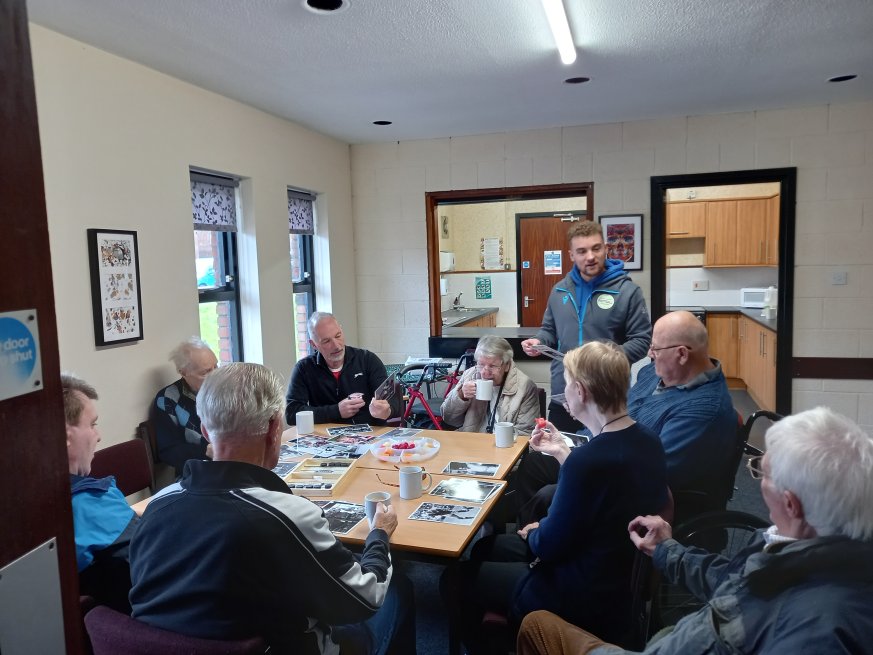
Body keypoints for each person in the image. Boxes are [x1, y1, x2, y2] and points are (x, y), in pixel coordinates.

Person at [515, 407, 873, 655]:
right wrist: (670, 549)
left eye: (761, 472)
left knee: (536, 624)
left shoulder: (814, 633)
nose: (759, 479)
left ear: (791, 503)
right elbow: (733, 580)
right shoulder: (805, 553)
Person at [129, 363, 415, 654]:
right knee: (396, 590)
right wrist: (379, 535)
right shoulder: (289, 515)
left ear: (204, 430)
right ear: (274, 427)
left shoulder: (157, 504)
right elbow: (366, 598)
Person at [445, 342, 668, 653]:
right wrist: (563, 452)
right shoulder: (647, 440)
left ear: (581, 391)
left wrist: (538, 531)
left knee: (456, 577)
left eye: (566, 384)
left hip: (579, 589)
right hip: (615, 573)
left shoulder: (588, 460)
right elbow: (603, 495)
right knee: (485, 545)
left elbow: (549, 545)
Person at [514, 310, 736, 526]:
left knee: (548, 496)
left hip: (630, 481)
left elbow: (648, 474)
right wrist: (584, 416)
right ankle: (528, 532)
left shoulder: (704, 409)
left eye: (656, 349)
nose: (650, 354)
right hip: (605, 448)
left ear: (682, 354)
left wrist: (575, 460)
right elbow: (617, 415)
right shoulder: (652, 374)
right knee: (535, 462)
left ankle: (540, 545)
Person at [520, 220, 651, 432]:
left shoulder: (628, 292)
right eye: (582, 251)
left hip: (607, 394)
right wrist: (539, 341)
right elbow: (549, 331)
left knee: (604, 459)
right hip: (564, 392)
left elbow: (642, 340)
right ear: (571, 255)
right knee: (561, 455)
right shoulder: (559, 291)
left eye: (596, 248)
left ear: (606, 249)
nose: (590, 257)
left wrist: (601, 361)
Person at [63, 372, 139, 612]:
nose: (99, 436)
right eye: (92, 424)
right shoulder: (90, 502)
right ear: (64, 435)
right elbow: (154, 558)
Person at [285, 312, 402, 427]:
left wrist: (387, 411)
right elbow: (291, 413)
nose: (336, 345)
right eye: (326, 341)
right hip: (326, 438)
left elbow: (395, 401)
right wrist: (336, 411)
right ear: (314, 345)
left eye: (338, 336)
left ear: (342, 330)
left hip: (371, 435)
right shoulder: (304, 369)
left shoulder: (367, 360)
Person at [440, 335, 540, 433]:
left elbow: (526, 433)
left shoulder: (525, 386)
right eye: (481, 364)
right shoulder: (470, 375)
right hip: (472, 442)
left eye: (492, 366)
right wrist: (461, 395)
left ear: (507, 366)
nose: (485, 372)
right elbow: (448, 418)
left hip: (506, 446)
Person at [150, 337, 217, 476]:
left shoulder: (229, 389)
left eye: (216, 367)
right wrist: (206, 451)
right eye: (205, 372)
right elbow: (169, 451)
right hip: (196, 474)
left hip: (234, 466)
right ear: (184, 372)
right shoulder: (167, 399)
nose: (215, 376)